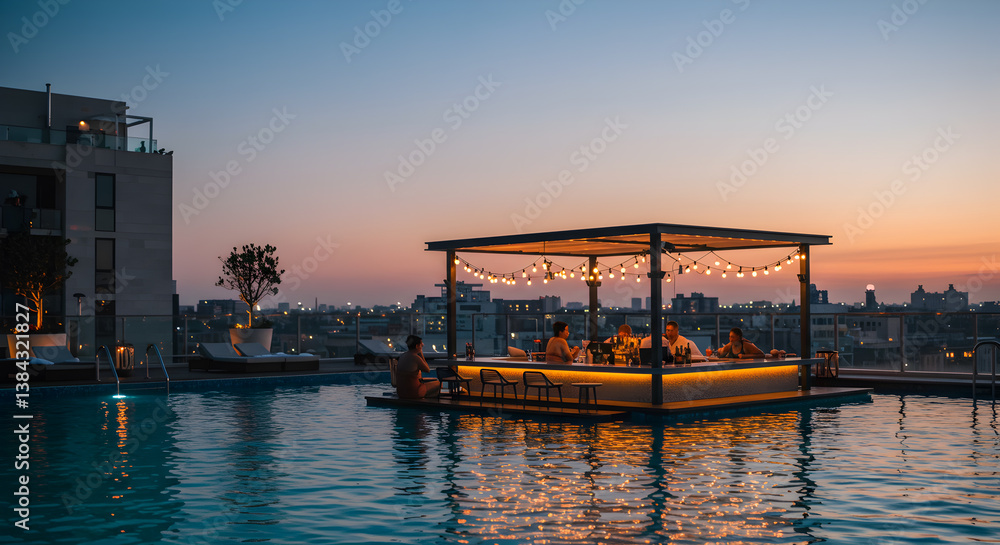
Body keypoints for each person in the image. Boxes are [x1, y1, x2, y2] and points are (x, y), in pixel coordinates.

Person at [395, 334, 441, 399]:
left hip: (401, 393)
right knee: (439, 383)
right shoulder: (415, 358)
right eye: (421, 343)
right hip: (414, 392)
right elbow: (427, 369)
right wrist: (421, 354)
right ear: (417, 346)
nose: (423, 345)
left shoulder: (402, 356)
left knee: (430, 381)